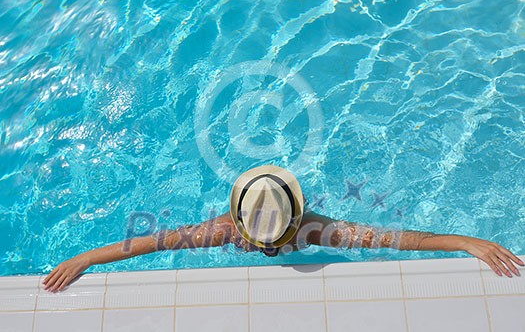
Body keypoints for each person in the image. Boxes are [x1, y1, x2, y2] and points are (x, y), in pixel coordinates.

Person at [43, 165, 523, 292]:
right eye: (259, 239)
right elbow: (149, 243)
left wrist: (465, 242)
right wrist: (86, 258)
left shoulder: (316, 230)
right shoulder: (224, 230)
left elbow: (393, 238)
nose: (266, 247)